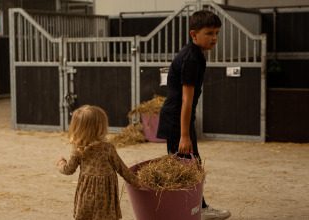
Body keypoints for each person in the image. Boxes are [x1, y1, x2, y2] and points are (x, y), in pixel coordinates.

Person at [156, 10, 231, 220]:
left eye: (217, 33)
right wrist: (184, 135)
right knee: (185, 167)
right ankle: (194, 210)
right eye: (209, 33)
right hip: (176, 119)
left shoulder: (196, 55)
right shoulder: (191, 59)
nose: (214, 38)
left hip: (180, 118)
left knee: (190, 166)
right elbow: (186, 101)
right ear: (193, 34)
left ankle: (196, 208)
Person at [56, 105, 142, 220]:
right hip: (105, 196)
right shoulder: (108, 148)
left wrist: (61, 163)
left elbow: (68, 170)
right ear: (100, 127)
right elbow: (122, 169)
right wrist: (137, 182)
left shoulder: (78, 149)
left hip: (86, 195)